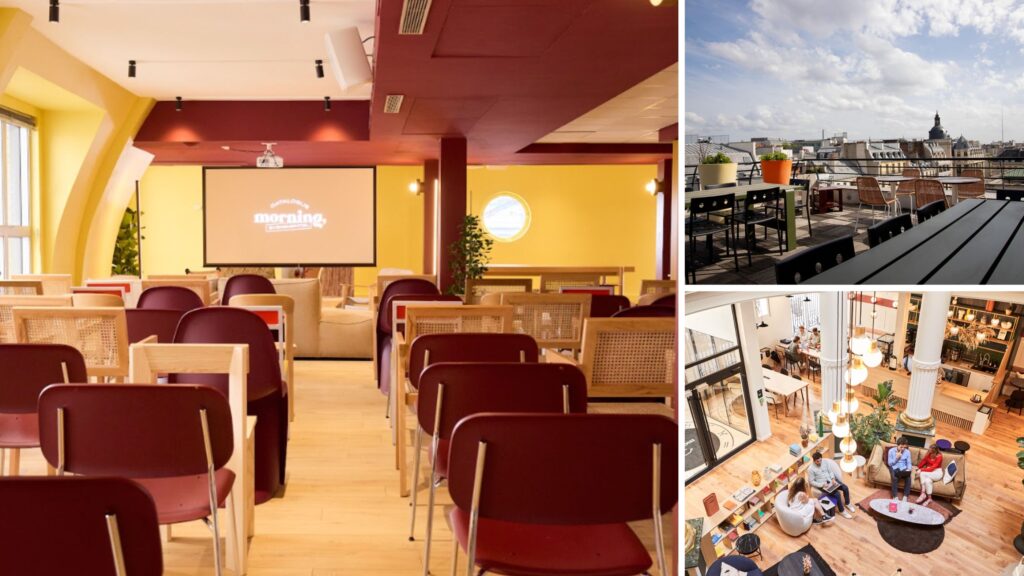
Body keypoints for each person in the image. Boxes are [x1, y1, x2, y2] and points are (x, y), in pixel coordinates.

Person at [808, 451, 855, 519]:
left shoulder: (825, 462)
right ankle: (842, 511)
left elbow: (830, 471)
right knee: (837, 494)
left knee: (845, 488)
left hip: (832, 481)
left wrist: (833, 479)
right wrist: (822, 485)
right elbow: (811, 482)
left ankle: (847, 503)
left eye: (820, 460)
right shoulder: (811, 469)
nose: (820, 462)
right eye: (818, 461)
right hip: (823, 485)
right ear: (814, 461)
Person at [888, 436, 913, 501]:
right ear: (897, 445)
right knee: (894, 478)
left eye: (904, 447)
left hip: (903, 468)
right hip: (894, 467)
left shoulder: (907, 452)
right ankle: (895, 496)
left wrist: (909, 469)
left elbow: (909, 462)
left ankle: (905, 496)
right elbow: (890, 464)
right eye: (901, 447)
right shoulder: (891, 451)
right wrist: (897, 458)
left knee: (908, 478)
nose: (902, 449)